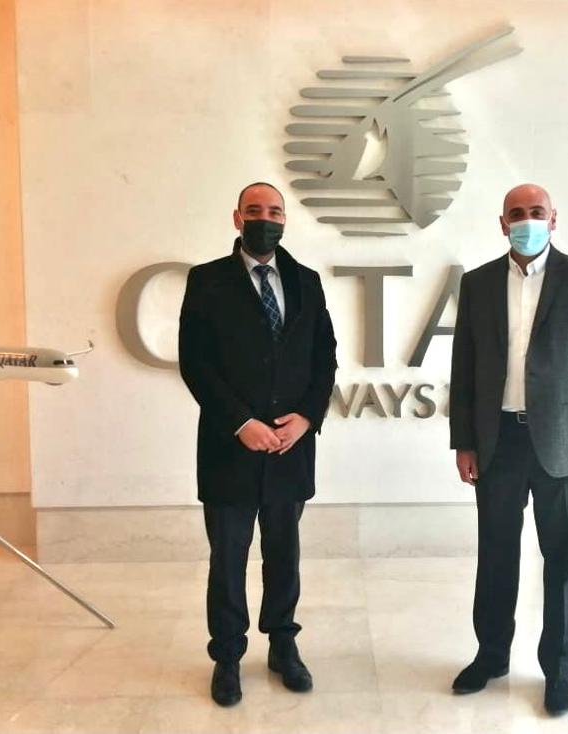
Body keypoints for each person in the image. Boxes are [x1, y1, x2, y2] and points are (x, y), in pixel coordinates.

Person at [448, 183, 568, 716]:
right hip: (497, 441)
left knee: (563, 562)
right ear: (502, 223)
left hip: (563, 445)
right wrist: (463, 441)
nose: (527, 220)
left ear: (553, 218)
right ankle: (491, 656)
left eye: (536, 212)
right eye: (517, 213)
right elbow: (464, 369)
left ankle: (560, 671)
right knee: (495, 556)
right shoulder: (477, 283)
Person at [178, 182, 337, 707]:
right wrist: (241, 422)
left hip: (291, 448)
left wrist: (307, 418)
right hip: (230, 449)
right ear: (237, 218)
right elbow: (196, 363)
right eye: (254, 211)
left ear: (285, 220)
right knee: (228, 558)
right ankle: (227, 655)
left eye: (274, 211)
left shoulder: (307, 281)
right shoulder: (207, 281)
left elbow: (325, 357)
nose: (264, 219)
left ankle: (283, 645)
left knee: (284, 555)